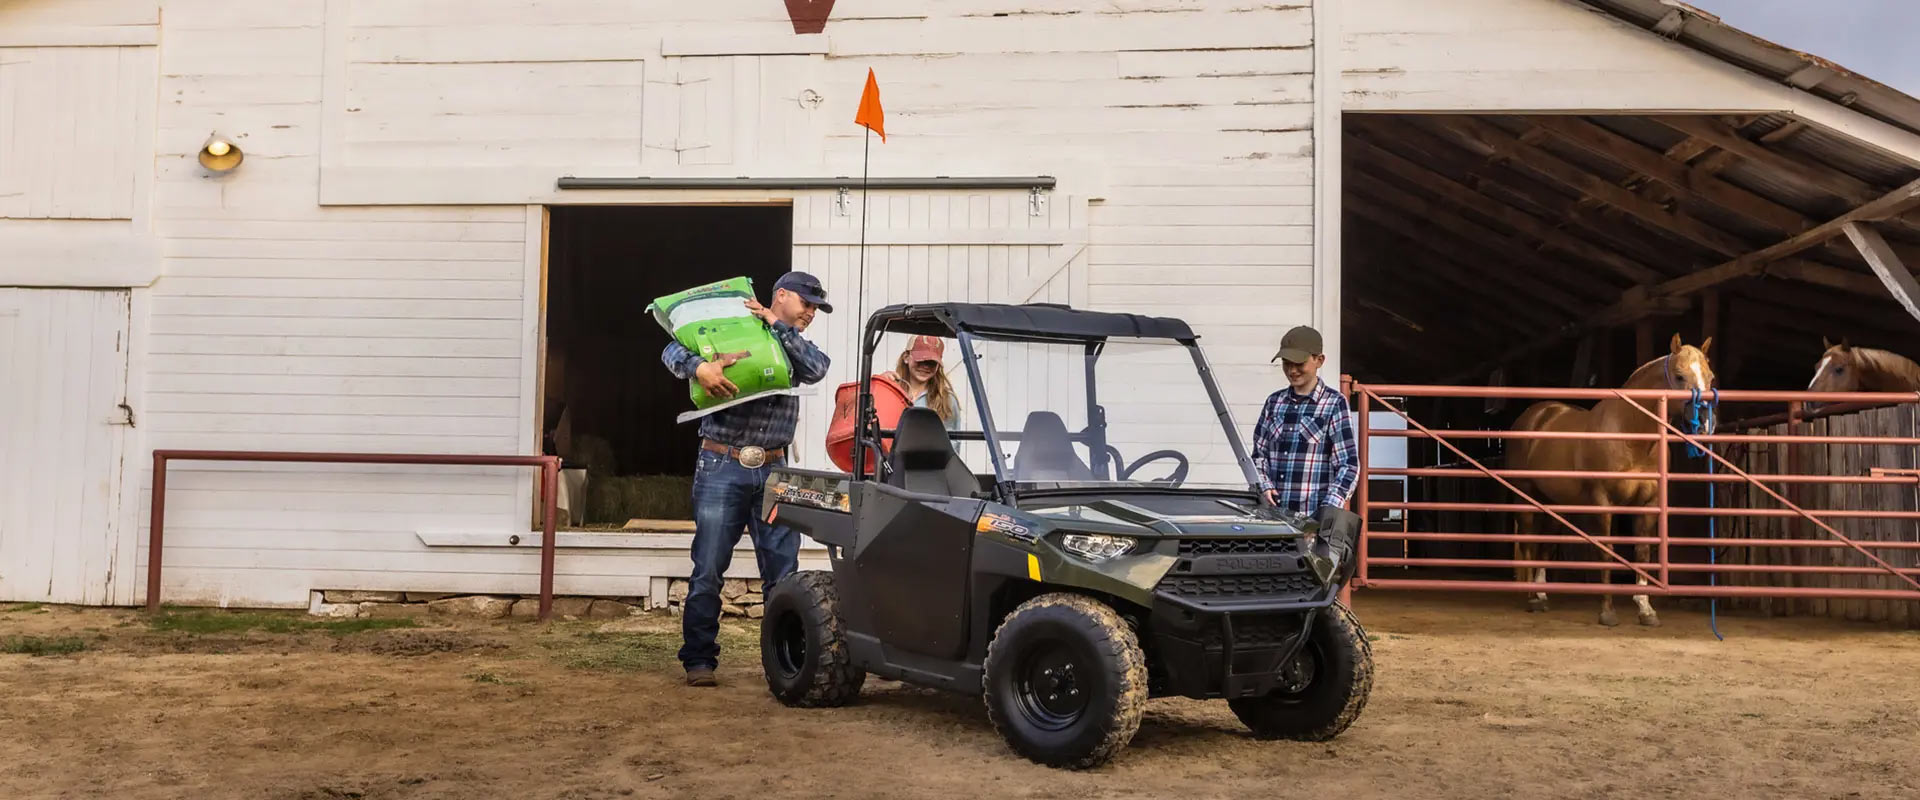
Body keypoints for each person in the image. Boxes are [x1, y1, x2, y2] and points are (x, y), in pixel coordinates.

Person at [660, 271, 832, 687]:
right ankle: (699, 659)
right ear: (782, 295)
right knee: (709, 568)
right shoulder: (732, 324)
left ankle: (785, 663)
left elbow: (817, 369)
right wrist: (698, 367)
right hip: (722, 463)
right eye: (805, 304)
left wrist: (779, 326)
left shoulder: (792, 343)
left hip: (775, 467)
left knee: (783, 574)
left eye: (815, 308)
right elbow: (670, 348)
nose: (810, 313)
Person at [1251, 325, 1360, 516]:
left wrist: (1327, 511)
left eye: (1299, 363)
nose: (1292, 370)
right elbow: (1258, 455)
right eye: (1286, 363)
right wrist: (1264, 485)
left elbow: (1348, 465)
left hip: (1312, 520)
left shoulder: (1334, 403)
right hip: (1272, 519)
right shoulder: (1273, 402)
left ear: (1319, 360)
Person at [882, 335, 960, 427]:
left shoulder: (947, 400)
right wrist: (881, 386)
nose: (925, 366)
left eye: (932, 362)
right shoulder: (889, 390)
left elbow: (952, 439)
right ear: (906, 357)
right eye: (920, 360)